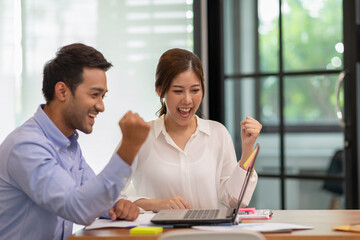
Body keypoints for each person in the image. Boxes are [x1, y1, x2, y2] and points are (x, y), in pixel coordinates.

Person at [0, 43, 150, 240]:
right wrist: (128, 148)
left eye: (103, 96)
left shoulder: (69, 144)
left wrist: (114, 205)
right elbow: (78, 207)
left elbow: (90, 197)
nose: (101, 106)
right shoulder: (26, 146)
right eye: (94, 94)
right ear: (62, 91)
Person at [123, 48, 262, 212]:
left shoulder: (218, 134)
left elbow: (234, 200)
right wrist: (156, 204)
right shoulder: (140, 136)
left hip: (207, 235)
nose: (187, 100)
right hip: (158, 236)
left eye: (195, 90)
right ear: (160, 90)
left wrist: (247, 150)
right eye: (178, 91)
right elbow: (110, 198)